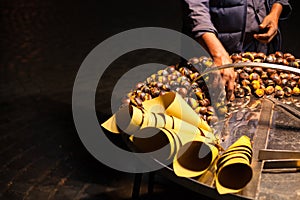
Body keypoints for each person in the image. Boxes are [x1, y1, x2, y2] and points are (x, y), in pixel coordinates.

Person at [181, 0, 291, 100]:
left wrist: (275, 11)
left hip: (255, 52)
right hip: (211, 54)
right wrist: (218, 54)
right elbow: (195, 8)